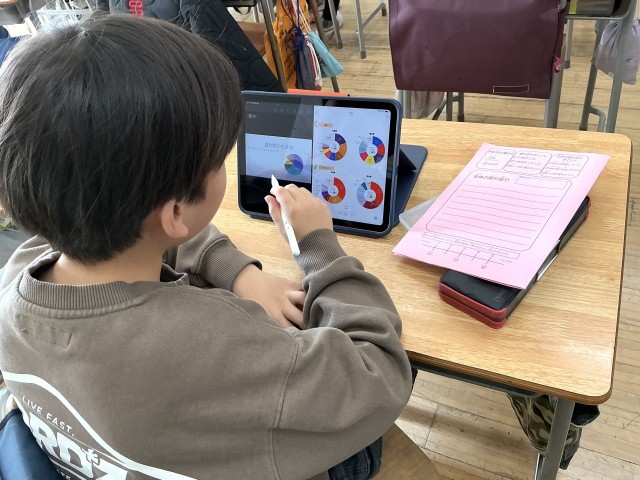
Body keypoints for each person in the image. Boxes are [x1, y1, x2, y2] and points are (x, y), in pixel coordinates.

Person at [0, 12, 413, 480]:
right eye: (221, 158)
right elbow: (378, 373)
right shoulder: (210, 346)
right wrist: (317, 247)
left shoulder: (21, 271)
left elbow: (143, 229)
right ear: (176, 212)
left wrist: (241, 273)